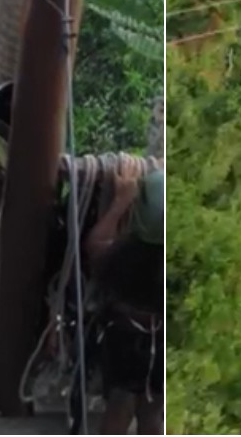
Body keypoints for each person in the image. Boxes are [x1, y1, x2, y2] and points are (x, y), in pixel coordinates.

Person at [85, 165, 163, 435]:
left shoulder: (121, 258)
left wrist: (120, 202)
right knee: (153, 411)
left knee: (120, 405)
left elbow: (95, 245)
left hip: (123, 343)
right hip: (162, 345)